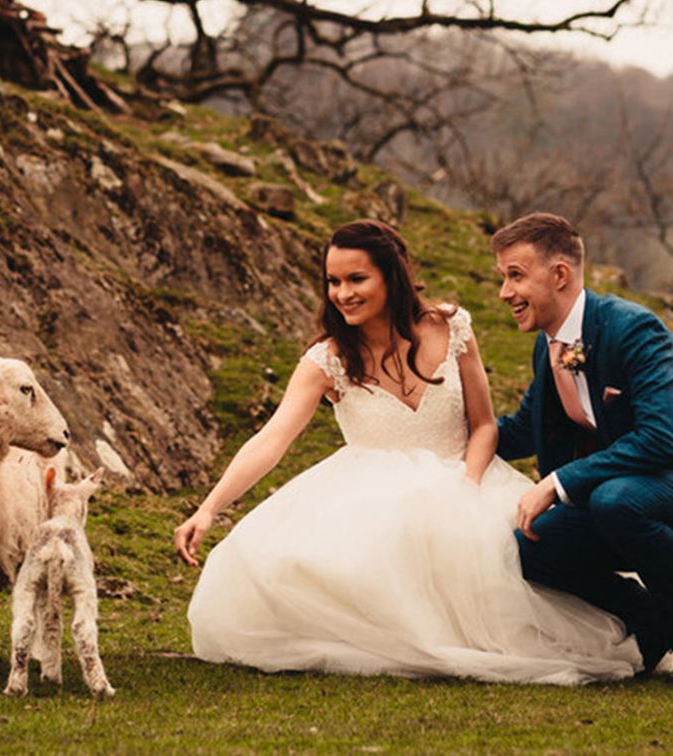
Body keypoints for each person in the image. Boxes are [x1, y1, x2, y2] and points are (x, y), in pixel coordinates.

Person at [175, 219, 641, 683]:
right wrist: (210, 509)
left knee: (516, 560)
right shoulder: (327, 359)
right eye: (333, 282)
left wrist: (468, 485)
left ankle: (645, 610)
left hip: (465, 475)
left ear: (390, 276)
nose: (343, 293)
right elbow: (272, 439)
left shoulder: (451, 326)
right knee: (299, 566)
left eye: (357, 279)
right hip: (366, 494)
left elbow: (483, 425)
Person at [493, 211, 673, 674]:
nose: (505, 293)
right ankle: (648, 618)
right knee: (531, 545)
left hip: (654, 489)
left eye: (516, 275)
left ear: (559, 274)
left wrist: (558, 482)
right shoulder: (549, 345)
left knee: (615, 500)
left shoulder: (632, 328)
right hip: (613, 501)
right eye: (502, 278)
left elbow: (661, 435)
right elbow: (523, 429)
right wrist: (445, 429)